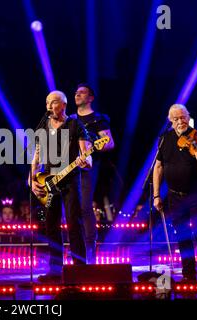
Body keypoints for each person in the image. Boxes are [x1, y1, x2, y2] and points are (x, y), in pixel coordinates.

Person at [30, 90, 92, 282]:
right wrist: (32, 180)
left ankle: (80, 269)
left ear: (63, 105)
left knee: (74, 223)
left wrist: (86, 161)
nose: (49, 106)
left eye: (53, 102)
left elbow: (87, 154)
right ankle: (55, 270)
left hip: (71, 179)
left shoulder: (75, 124)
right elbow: (37, 156)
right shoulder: (43, 126)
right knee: (51, 225)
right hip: (48, 181)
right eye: (47, 102)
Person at [153, 104, 197, 281]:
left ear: (188, 118)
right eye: (176, 118)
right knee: (182, 235)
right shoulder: (165, 139)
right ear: (170, 121)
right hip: (175, 195)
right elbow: (158, 167)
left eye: (182, 117)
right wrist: (156, 195)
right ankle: (189, 274)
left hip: (196, 194)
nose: (180, 121)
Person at [73, 83, 115, 263]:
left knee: (84, 206)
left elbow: (109, 143)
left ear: (91, 98)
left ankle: (90, 247)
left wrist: (93, 146)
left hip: (88, 168)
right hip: (68, 168)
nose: (77, 95)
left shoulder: (98, 119)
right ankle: (76, 249)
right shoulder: (71, 119)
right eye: (76, 92)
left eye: (82, 93)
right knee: (71, 209)